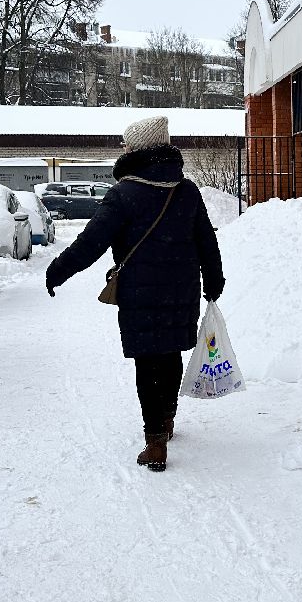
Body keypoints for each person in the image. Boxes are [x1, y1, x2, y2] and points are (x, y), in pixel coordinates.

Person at [44, 115, 224, 472]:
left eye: (127, 144)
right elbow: (207, 241)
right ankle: (168, 419)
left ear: (139, 149)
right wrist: (214, 280)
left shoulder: (124, 193)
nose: (123, 149)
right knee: (170, 355)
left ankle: (155, 441)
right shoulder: (186, 191)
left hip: (140, 293)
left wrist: (58, 271)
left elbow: (91, 242)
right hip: (181, 289)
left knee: (148, 362)